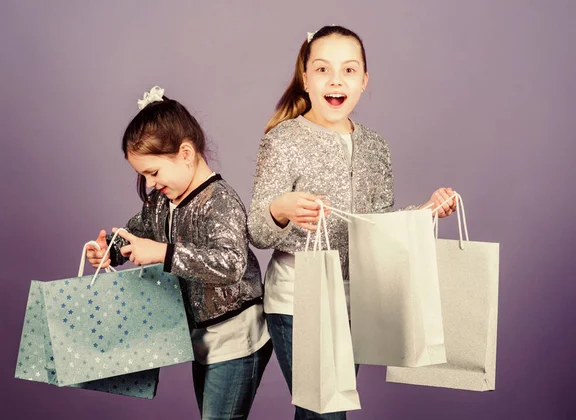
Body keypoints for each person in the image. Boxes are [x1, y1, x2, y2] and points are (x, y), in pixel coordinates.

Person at [248, 26, 456, 419]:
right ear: (306, 79)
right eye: (323, 69)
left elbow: (377, 228)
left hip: (354, 300)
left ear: (363, 81)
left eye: (348, 69)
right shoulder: (284, 139)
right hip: (298, 298)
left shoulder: (376, 147)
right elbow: (257, 230)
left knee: (323, 413)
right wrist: (282, 208)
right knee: (326, 413)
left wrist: (426, 211)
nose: (336, 80)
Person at [87, 86, 272, 420]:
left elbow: (231, 263)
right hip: (201, 338)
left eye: (153, 172)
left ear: (186, 154)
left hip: (236, 337)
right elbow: (136, 232)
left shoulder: (220, 201)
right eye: (143, 175)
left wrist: (163, 253)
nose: (150, 182)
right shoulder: (161, 202)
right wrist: (110, 251)